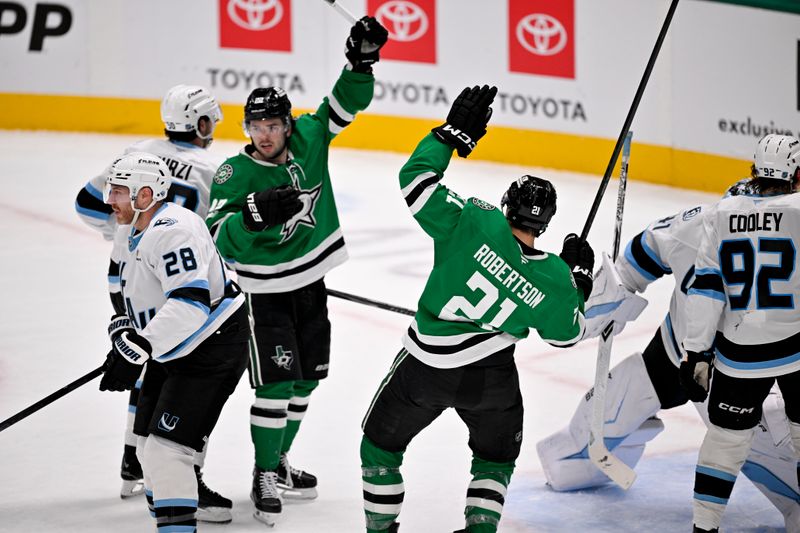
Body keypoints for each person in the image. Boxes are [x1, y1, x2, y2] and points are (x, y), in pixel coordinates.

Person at [358, 84, 595, 533]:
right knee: (494, 459)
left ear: (507, 205)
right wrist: (577, 282)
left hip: (425, 367)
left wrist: (450, 136)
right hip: (493, 380)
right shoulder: (554, 278)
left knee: (379, 448)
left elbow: (415, 181)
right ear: (545, 224)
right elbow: (566, 335)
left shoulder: (475, 219)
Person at [204, 16, 388, 526]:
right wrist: (251, 216)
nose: (264, 135)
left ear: (288, 125)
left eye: (272, 125)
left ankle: (279, 461)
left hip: (312, 284)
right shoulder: (233, 173)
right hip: (264, 295)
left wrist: (360, 62)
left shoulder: (310, 136)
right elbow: (216, 238)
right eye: (255, 127)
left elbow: (345, 102)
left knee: (307, 381)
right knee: (275, 386)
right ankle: (264, 472)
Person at [536, 185, 800, 528]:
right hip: (674, 354)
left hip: (734, 372)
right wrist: (577, 292)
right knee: (566, 461)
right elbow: (627, 271)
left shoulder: (705, 223)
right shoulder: (693, 226)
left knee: (757, 450)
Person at [74, 85, 233, 521]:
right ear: (201, 122)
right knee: (159, 356)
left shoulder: (137, 153)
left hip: (127, 274)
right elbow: (218, 236)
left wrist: (127, 235)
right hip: (179, 279)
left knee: (147, 359)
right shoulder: (213, 169)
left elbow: (86, 207)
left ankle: (135, 458)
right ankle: (177, 474)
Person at [98, 152, 249, 533]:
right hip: (174, 347)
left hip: (212, 347)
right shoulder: (130, 226)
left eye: (118, 192)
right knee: (147, 450)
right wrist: (124, 331)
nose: (109, 200)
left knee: (168, 454)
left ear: (145, 195)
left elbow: (191, 304)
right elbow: (120, 280)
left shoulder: (171, 231)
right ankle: (175, 518)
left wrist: (141, 347)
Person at [682, 134, 800, 533]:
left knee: (725, 443)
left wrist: (696, 353)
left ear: (754, 171)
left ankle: (704, 525)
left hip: (740, 351)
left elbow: (706, 288)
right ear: (796, 174)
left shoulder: (721, 213)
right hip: (796, 347)